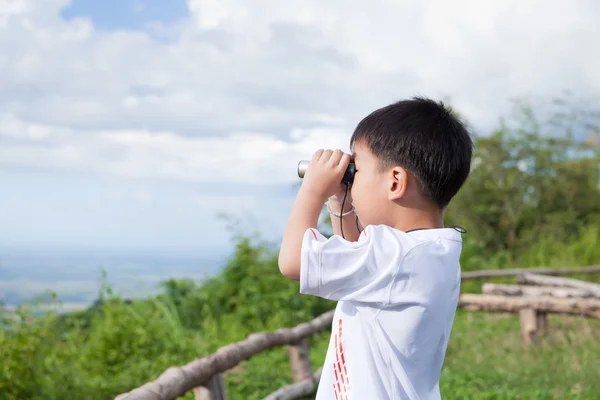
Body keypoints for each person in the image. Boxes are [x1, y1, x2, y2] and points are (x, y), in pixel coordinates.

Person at [278, 96, 473, 400]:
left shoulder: (395, 255)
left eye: (358, 171)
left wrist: (314, 189)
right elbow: (358, 255)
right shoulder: (432, 249)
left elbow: (293, 261)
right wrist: (338, 197)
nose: (351, 183)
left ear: (395, 182)